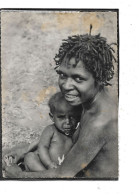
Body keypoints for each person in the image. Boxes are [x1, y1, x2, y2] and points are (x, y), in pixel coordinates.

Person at [5, 32, 118, 179]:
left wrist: (18, 175)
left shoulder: (100, 122)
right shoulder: (91, 96)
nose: (65, 85)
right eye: (63, 75)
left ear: (100, 78)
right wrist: (27, 148)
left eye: (78, 78)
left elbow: (64, 174)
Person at [3, 92, 82, 172]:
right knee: (30, 157)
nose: (67, 122)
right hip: (46, 166)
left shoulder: (76, 133)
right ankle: (46, 175)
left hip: (65, 169)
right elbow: (42, 147)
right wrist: (49, 164)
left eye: (72, 117)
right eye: (61, 117)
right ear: (52, 117)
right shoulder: (51, 130)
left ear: (79, 118)